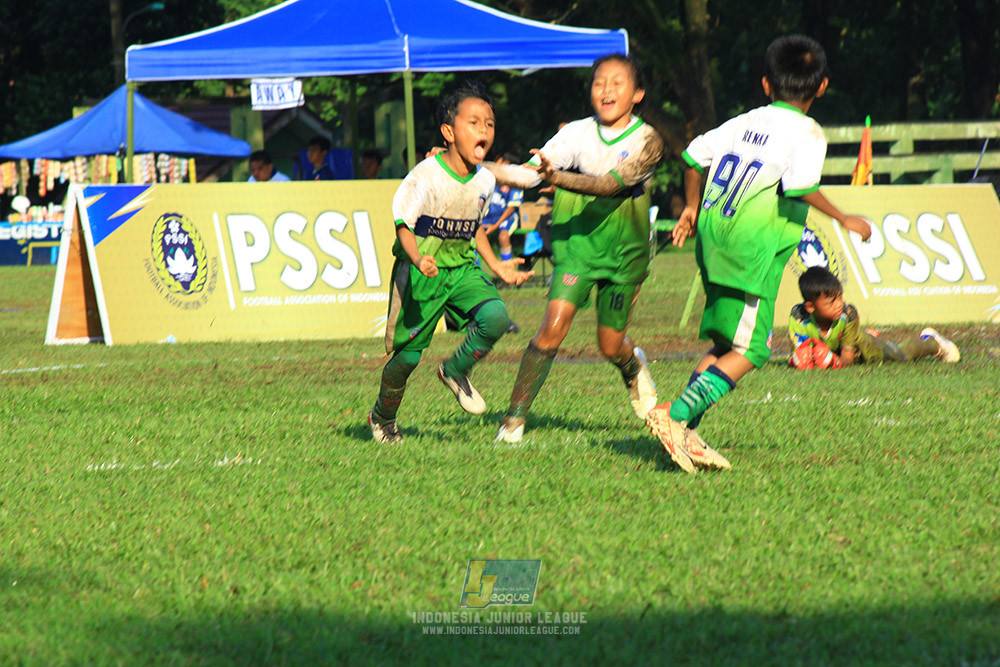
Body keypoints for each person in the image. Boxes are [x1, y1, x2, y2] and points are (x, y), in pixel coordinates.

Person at [646, 34, 873, 474]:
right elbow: (801, 187)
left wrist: (691, 207)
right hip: (752, 249)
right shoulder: (808, 132)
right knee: (752, 352)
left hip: (713, 240)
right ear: (822, 87)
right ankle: (673, 415)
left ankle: (685, 433)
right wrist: (845, 218)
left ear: (766, 85)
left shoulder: (742, 121)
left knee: (725, 344)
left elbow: (692, 157)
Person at [487, 53, 664, 444]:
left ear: (637, 94)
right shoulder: (575, 133)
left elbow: (609, 186)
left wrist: (558, 177)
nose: (606, 90)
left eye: (618, 83)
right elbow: (530, 175)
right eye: (599, 82)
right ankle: (513, 423)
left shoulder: (648, 140)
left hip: (624, 251)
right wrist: (473, 164)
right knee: (552, 328)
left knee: (609, 344)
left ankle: (632, 367)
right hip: (577, 246)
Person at [367, 81, 533, 444]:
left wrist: (497, 266)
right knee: (407, 360)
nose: (484, 130)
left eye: (489, 124)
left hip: (461, 270)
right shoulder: (425, 176)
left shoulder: (485, 180)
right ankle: (382, 416)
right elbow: (403, 227)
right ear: (448, 132)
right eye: (474, 122)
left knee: (496, 318)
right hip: (420, 274)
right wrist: (417, 258)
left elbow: (474, 230)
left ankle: (454, 370)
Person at [788, 266, 960, 369]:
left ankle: (933, 342)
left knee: (901, 354)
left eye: (840, 297)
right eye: (832, 301)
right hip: (836, 350)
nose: (839, 304)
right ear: (810, 307)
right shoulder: (798, 317)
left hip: (862, 349)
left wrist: (832, 361)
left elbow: (847, 360)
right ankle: (866, 334)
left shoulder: (848, 314)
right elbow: (798, 357)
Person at [481, 151, 524, 262]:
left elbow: (511, 208)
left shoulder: (514, 182)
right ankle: (477, 272)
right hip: (489, 216)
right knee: (474, 236)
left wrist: (495, 225)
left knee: (503, 237)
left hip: (506, 217)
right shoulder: (488, 178)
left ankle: (507, 268)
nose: (498, 165)